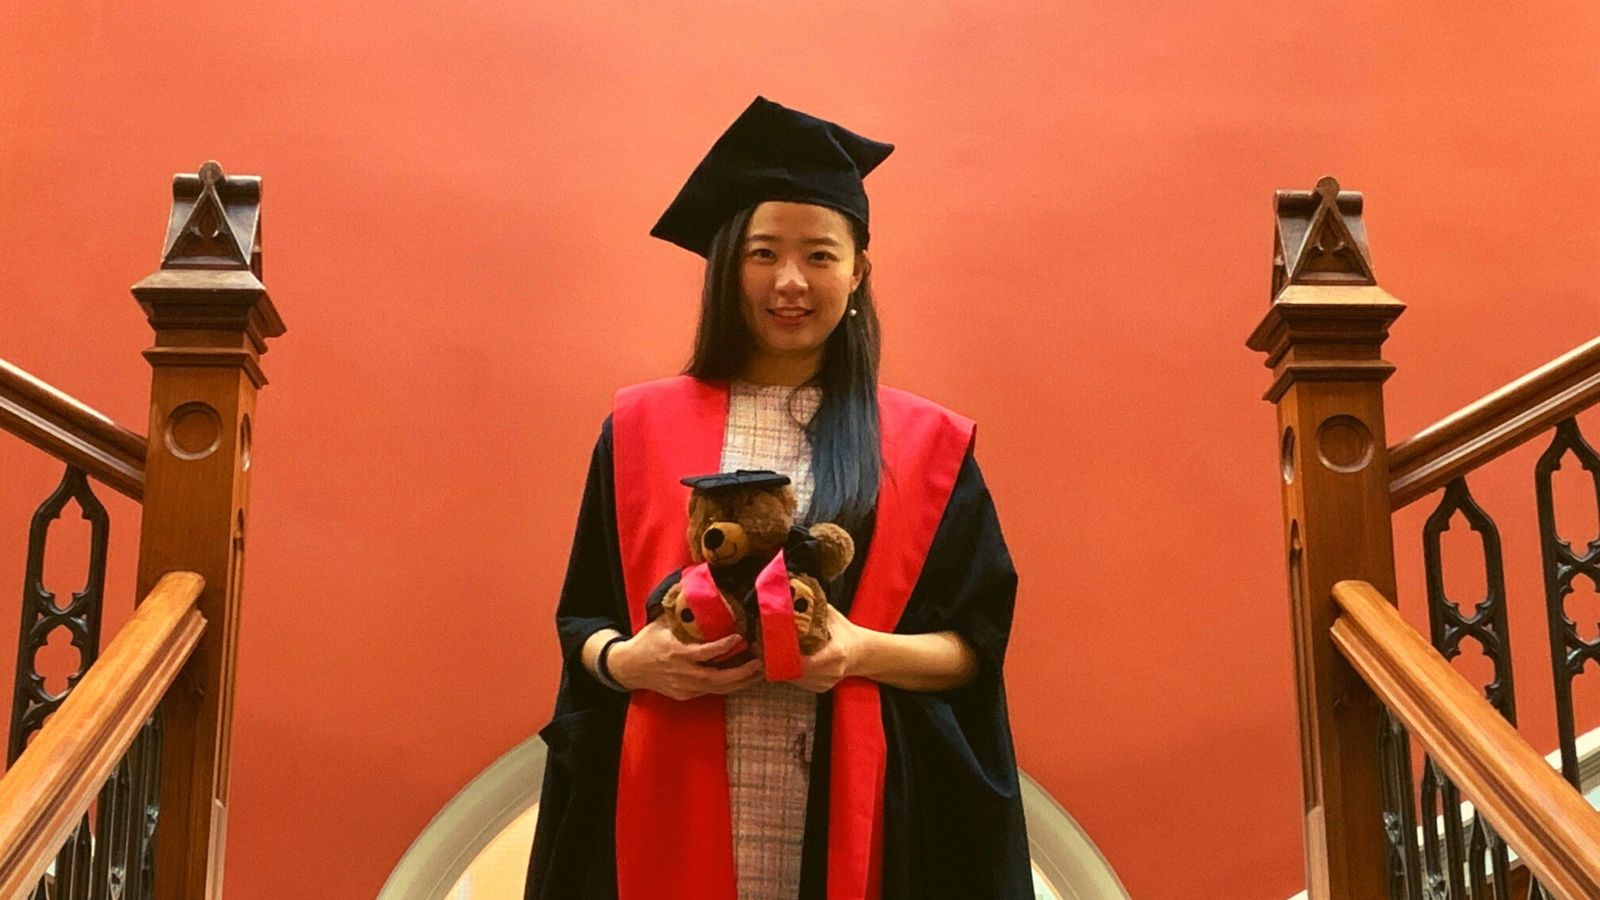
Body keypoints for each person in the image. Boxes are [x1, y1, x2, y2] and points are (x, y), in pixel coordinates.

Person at [525, 96, 1032, 900]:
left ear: (859, 271)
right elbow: (581, 620)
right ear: (728, 264)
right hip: (665, 795)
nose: (790, 281)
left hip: (865, 821)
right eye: (764, 253)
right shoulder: (639, 427)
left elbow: (975, 649)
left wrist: (857, 650)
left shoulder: (925, 447)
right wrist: (630, 661)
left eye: (820, 256)